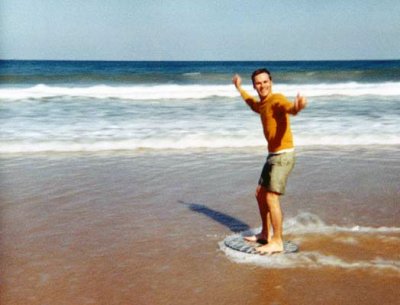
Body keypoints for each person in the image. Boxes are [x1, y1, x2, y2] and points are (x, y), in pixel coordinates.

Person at [232, 68, 307, 254]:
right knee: (260, 194)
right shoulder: (262, 104)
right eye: (258, 83)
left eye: (265, 82)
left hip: (283, 156)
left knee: (271, 197)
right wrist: (239, 88)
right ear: (255, 86)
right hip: (273, 155)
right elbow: (252, 103)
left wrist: (297, 107)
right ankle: (265, 233)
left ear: (271, 82)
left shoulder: (276, 99)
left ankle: (277, 241)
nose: (262, 85)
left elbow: (288, 108)